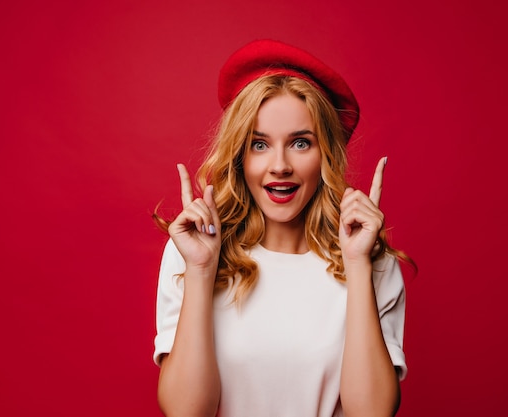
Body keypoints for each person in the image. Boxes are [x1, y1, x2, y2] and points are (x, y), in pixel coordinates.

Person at [152, 39, 411, 417]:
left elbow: (371, 414)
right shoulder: (192, 250)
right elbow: (186, 412)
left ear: (325, 154)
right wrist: (200, 271)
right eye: (259, 144)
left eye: (300, 143)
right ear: (239, 155)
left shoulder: (370, 259)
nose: (280, 165)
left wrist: (357, 266)